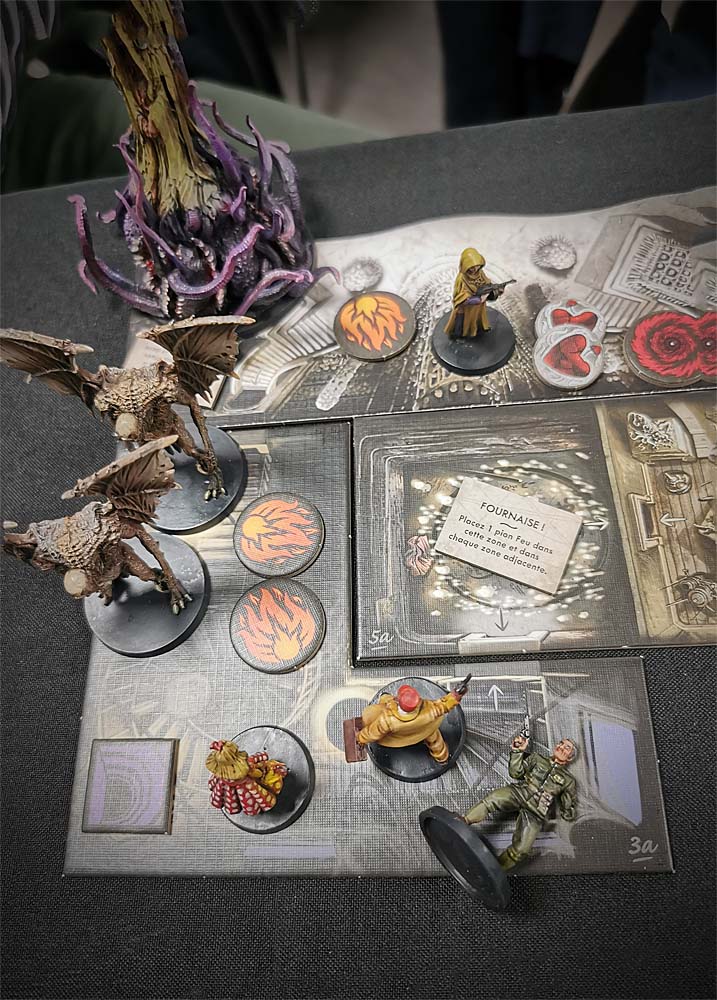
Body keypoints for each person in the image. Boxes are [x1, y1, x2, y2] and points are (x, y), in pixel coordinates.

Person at [463, 735, 577, 870]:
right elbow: (515, 773)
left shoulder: (568, 780)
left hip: (537, 810)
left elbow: (568, 805)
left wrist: (568, 811)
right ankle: (464, 820)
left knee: (522, 849)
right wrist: (518, 751)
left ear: (570, 757)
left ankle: (497, 870)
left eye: (567, 747)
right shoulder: (537, 759)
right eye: (561, 743)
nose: (561, 747)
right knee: (494, 799)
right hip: (520, 792)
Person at [357, 683, 465, 764]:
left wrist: (361, 738)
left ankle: (384, 697)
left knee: (385, 699)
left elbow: (373, 733)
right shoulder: (428, 710)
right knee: (436, 742)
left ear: (398, 701)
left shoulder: (388, 719)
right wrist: (455, 696)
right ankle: (442, 758)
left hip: (400, 736)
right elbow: (444, 705)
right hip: (424, 730)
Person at [445, 248, 505, 338]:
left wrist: (497, 292)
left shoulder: (480, 273)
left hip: (478, 308)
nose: (475, 269)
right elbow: (461, 298)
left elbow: (487, 286)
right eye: (471, 267)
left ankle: (478, 330)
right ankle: (459, 336)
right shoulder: (461, 279)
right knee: (461, 325)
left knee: (478, 320)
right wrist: (479, 299)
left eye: (477, 266)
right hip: (465, 309)